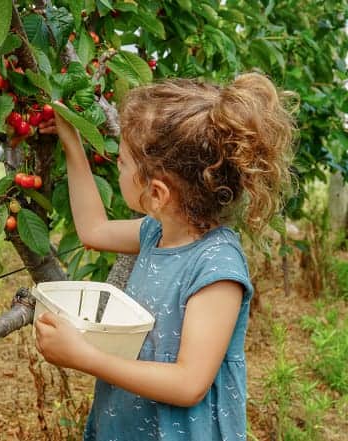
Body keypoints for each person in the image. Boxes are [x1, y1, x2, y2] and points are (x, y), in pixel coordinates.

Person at [34, 73, 296, 441]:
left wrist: (84, 357)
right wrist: (71, 142)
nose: (118, 166)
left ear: (157, 194)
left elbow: (189, 383)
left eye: (123, 163)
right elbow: (93, 230)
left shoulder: (216, 267)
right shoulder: (155, 233)